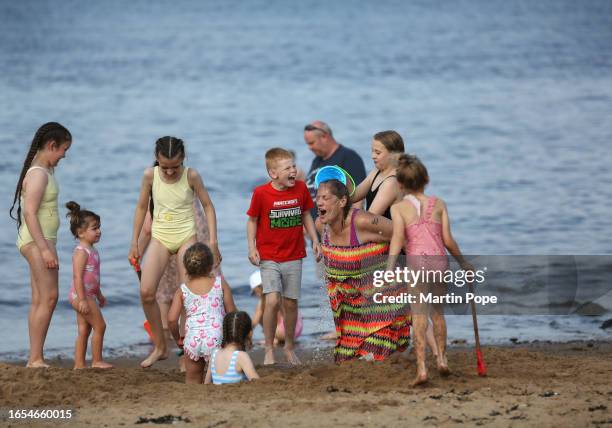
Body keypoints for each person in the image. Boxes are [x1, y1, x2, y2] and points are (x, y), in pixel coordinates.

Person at [128, 136, 221, 368]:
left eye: (174, 167)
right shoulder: (150, 175)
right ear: (157, 160)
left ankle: (186, 353)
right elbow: (141, 207)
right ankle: (160, 346)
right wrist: (134, 243)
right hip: (160, 238)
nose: (169, 172)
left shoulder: (192, 175)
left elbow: (208, 206)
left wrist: (213, 242)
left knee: (186, 295)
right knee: (146, 292)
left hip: (186, 237)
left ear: (183, 159)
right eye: (164, 167)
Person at [387, 154, 473, 386]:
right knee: (438, 314)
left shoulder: (399, 208)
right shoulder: (439, 204)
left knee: (419, 316)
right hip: (439, 264)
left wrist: (389, 267)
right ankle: (443, 360)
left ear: (400, 184)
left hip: (416, 265)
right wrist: (464, 264)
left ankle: (422, 369)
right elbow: (448, 240)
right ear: (426, 179)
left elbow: (397, 240)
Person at [315, 177, 410, 362]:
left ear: (342, 201)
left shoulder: (364, 221)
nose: (319, 202)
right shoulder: (322, 226)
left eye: (325, 198)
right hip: (352, 311)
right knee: (345, 360)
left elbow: (403, 234)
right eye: (317, 198)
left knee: (372, 357)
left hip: (383, 300)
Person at [246, 148, 321, 365]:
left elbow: (307, 214)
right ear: (273, 173)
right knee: (271, 300)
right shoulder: (261, 194)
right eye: (287, 168)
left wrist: (315, 240)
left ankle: (288, 347)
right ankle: (269, 348)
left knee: (290, 303)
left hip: (294, 255)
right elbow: (252, 221)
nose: (293, 171)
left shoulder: (300, 188)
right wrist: (252, 247)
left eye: (294, 166)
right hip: (269, 256)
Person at [10, 122, 72, 368]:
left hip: (37, 241)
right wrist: (45, 249)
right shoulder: (38, 174)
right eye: (63, 150)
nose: (64, 155)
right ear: (51, 145)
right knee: (49, 297)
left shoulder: (43, 170)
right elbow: (30, 213)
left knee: (39, 299)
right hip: (38, 242)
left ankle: (34, 357)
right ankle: (35, 358)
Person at [168, 243, 236, 384]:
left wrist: (178, 339)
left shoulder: (182, 290)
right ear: (211, 265)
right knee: (219, 378)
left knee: (192, 379)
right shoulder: (220, 283)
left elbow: (172, 320)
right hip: (217, 337)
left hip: (193, 339)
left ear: (186, 268)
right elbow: (232, 313)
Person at [65, 202, 113, 370]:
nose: (99, 231)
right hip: (81, 295)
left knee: (84, 330)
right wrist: (83, 300)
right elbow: (77, 277)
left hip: (88, 295)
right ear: (80, 232)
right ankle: (97, 360)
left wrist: (99, 294)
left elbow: (93, 278)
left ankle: (79, 365)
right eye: (94, 228)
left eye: (99, 227)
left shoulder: (93, 250)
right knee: (100, 326)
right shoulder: (81, 252)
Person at [304, 121, 366, 216]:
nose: (309, 147)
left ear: (324, 137)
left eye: (311, 143)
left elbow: (358, 196)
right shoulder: (316, 161)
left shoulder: (348, 157)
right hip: (311, 226)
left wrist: (353, 224)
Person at [351, 130, 405, 220]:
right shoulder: (377, 171)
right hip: (374, 230)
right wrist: (342, 177)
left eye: (377, 152)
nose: (373, 156)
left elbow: (369, 218)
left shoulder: (391, 182)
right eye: (372, 151)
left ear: (393, 155)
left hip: (390, 232)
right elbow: (354, 196)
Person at [249, 270, 303, 344]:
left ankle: (272, 339)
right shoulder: (280, 294)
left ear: (259, 288)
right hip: (296, 329)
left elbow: (255, 321)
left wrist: (246, 330)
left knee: (261, 315)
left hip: (284, 331)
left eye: (255, 292)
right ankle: (277, 338)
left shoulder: (263, 301)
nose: (256, 295)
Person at [205, 311, 259, 385]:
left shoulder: (214, 354)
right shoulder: (241, 356)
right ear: (249, 334)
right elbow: (257, 382)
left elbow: (206, 383)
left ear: (224, 332)